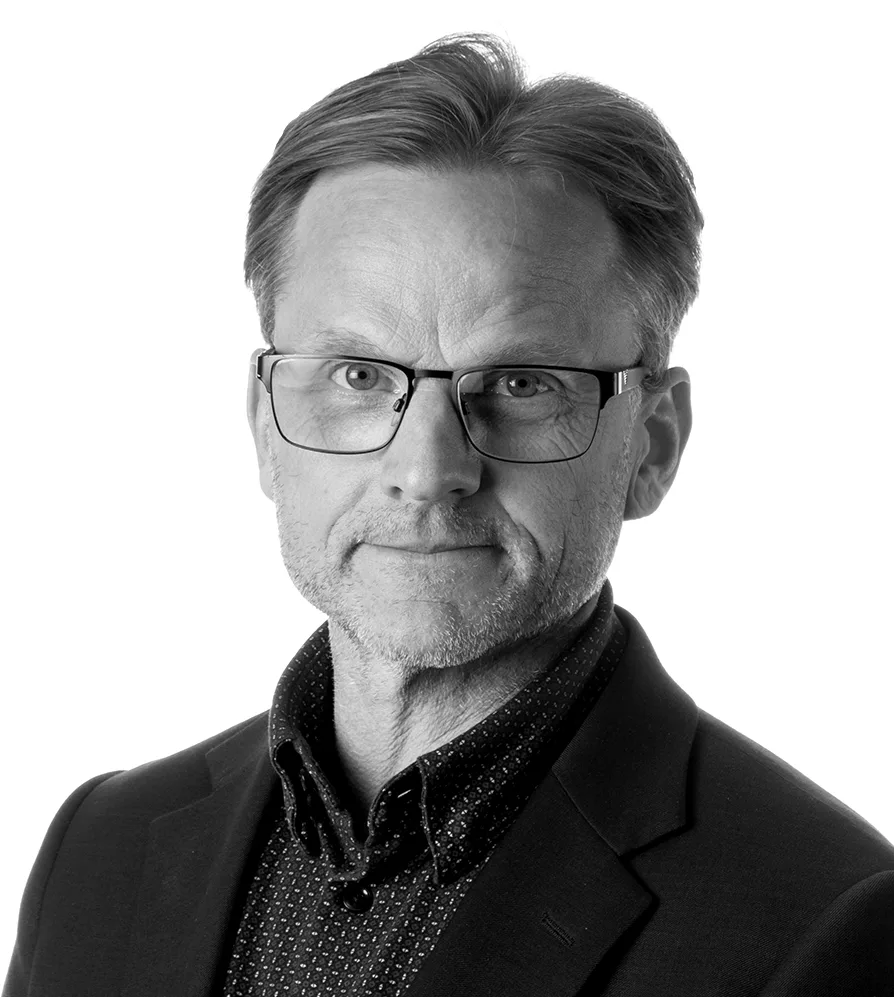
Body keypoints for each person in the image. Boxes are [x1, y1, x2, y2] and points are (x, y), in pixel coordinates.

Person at [5, 31, 893, 997]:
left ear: (653, 442)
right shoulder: (100, 849)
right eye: (357, 375)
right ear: (264, 424)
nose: (427, 472)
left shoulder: (829, 924)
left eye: (520, 382)